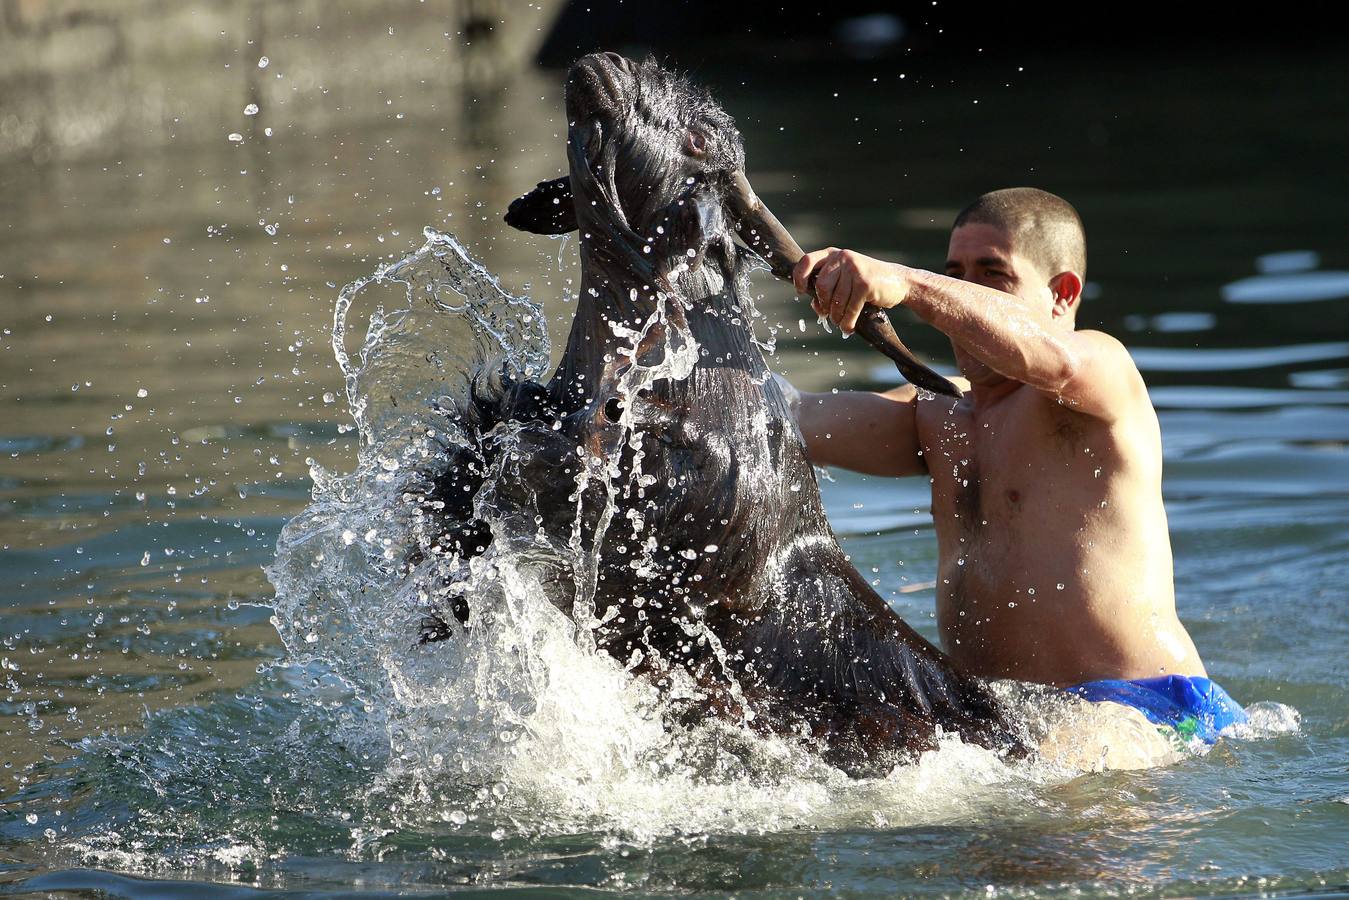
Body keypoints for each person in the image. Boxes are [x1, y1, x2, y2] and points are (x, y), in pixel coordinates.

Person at [783, 188, 1244, 744]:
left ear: (1061, 295)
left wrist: (907, 283)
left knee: (1037, 779)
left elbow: (1054, 358)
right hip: (1001, 719)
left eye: (992, 275)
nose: (964, 296)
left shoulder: (1100, 373)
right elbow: (784, 418)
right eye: (955, 273)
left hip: (1145, 708)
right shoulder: (935, 413)